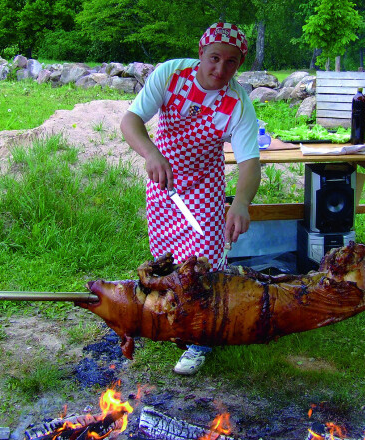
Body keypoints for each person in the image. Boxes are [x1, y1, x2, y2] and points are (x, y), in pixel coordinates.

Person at [120, 22, 261, 375]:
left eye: (231, 62)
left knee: (205, 260)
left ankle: (201, 339)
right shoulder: (171, 74)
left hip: (203, 184)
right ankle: (172, 318)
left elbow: (250, 163)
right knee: (165, 255)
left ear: (239, 64)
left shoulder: (238, 103)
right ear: (201, 54)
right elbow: (130, 121)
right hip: (163, 179)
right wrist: (151, 154)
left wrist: (241, 202)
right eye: (214, 58)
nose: (220, 69)